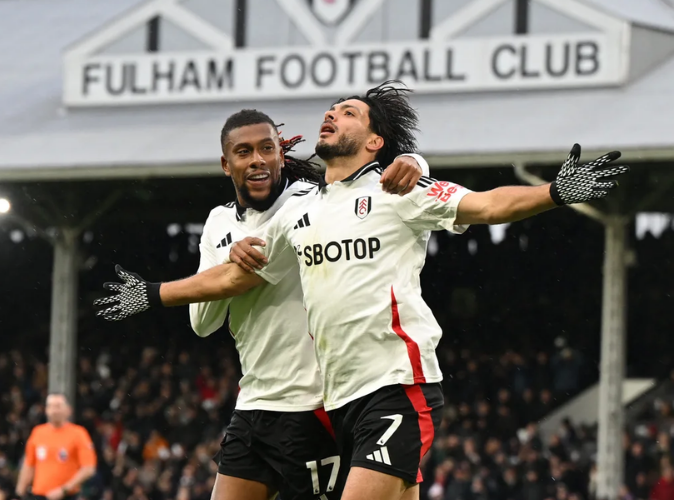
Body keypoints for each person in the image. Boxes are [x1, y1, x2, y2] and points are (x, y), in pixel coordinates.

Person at [95, 80, 629, 500]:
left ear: (375, 142)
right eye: (331, 109)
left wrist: (554, 191)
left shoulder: (399, 190)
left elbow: (487, 205)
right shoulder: (299, 211)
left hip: (397, 384)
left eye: (349, 112)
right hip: (341, 398)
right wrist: (152, 293)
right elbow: (236, 279)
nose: (332, 114)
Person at [95, 108, 427, 500]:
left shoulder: (309, 202)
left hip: (312, 405)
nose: (257, 159)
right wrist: (227, 257)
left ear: (280, 155)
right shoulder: (218, 222)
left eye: (267, 148)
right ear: (226, 164)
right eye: (244, 152)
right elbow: (203, 323)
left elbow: (367, 183)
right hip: (254, 403)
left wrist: (414, 160)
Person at [15, 394, 96, 500]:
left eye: (58, 406)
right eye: (51, 406)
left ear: (68, 410)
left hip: (67, 496)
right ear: (46, 410)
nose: (54, 410)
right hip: (39, 496)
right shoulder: (38, 432)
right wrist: (19, 494)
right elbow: (29, 465)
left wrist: (64, 489)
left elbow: (88, 468)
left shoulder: (79, 434)